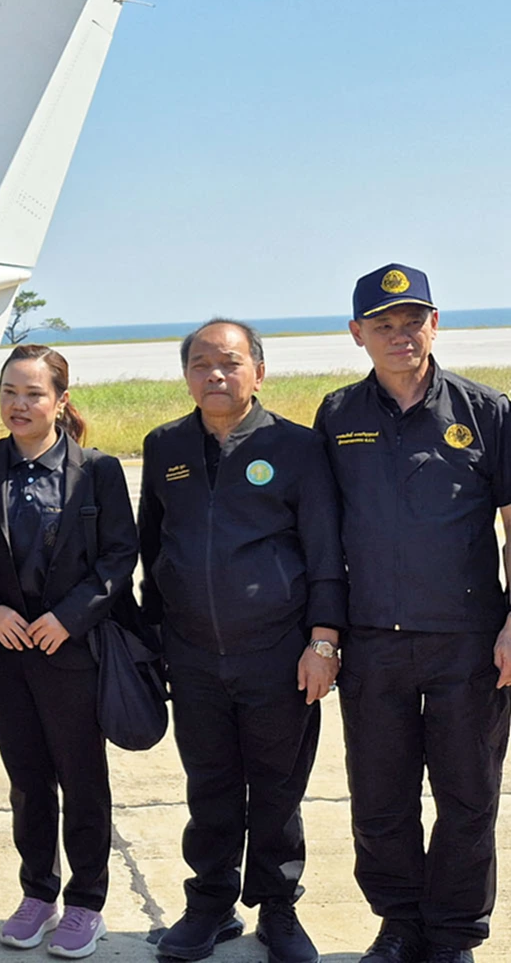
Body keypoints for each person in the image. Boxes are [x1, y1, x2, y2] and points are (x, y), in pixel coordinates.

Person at [313, 264, 511, 963]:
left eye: (412, 321)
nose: (400, 335)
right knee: (379, 797)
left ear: (435, 324)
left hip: (468, 642)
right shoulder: (338, 415)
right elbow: (322, 532)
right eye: (383, 324)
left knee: (467, 797)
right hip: (373, 642)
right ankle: (398, 924)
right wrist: (324, 634)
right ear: (356, 333)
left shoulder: (486, 411)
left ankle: (453, 934)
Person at [138, 319, 344, 963]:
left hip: (279, 656)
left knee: (278, 790)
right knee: (210, 787)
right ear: (186, 376)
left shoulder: (298, 446)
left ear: (259, 370)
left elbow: (325, 552)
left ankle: (278, 909)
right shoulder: (165, 446)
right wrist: (154, 641)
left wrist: (324, 642)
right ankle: (210, 905)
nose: (215, 374)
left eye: (229, 362)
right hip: (193, 655)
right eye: (201, 364)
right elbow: (151, 547)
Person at [0, 344, 138, 960]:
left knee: (82, 780)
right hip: (5, 651)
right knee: (28, 781)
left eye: (33, 393)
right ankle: (38, 892)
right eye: (9, 391)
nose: (19, 404)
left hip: (73, 651)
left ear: (60, 401)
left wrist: (69, 618)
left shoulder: (98, 470)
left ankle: (87, 901)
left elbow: (119, 557)